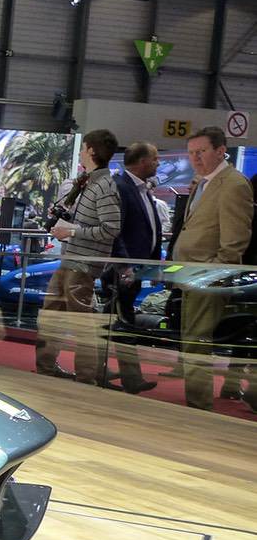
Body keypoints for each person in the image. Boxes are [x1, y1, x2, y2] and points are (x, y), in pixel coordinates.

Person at [172, 126, 254, 409]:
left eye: (201, 151)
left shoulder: (233, 184)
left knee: (197, 342)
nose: (195, 158)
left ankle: (199, 407)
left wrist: (213, 274)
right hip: (190, 275)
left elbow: (235, 241)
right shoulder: (203, 183)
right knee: (191, 341)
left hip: (207, 278)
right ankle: (196, 402)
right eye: (191, 152)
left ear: (221, 151)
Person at [36, 129, 123, 384]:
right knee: (52, 314)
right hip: (72, 259)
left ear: (92, 151)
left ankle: (86, 377)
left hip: (83, 263)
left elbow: (111, 229)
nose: (81, 152)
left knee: (80, 321)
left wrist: (72, 231)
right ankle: (47, 368)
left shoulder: (104, 186)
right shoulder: (91, 183)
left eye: (83, 148)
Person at [103, 141, 164, 394]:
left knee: (122, 320)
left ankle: (121, 374)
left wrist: (153, 265)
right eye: (155, 158)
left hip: (137, 269)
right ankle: (128, 377)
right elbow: (114, 231)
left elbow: (150, 230)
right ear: (142, 161)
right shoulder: (120, 186)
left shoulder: (141, 189)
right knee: (122, 321)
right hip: (123, 271)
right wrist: (124, 265)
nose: (158, 162)